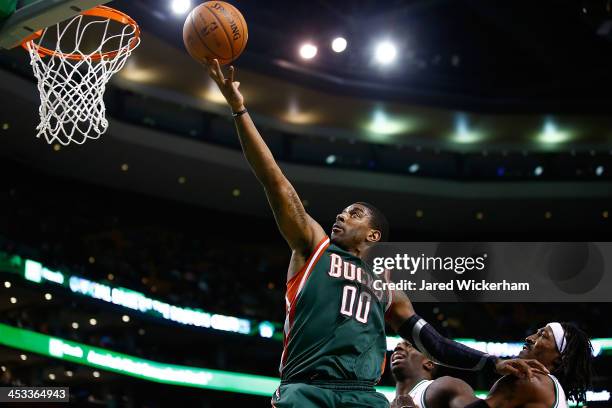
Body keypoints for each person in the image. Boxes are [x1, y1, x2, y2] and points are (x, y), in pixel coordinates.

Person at [205, 60, 545, 408]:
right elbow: (274, 180)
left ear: (373, 236)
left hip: (363, 396)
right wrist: (239, 109)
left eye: (355, 214)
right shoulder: (313, 247)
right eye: (343, 211)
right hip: (306, 389)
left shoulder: (387, 287)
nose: (341, 214)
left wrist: (489, 362)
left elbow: (431, 341)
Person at [477, 323, 593, 408]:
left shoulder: (529, 379)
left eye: (542, 335)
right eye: (536, 333)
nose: (529, 338)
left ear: (559, 359)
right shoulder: (552, 388)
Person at [391, 340, 478, 408]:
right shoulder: (383, 404)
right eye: (397, 345)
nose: (398, 347)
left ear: (429, 363)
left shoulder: (445, 385)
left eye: (410, 345)